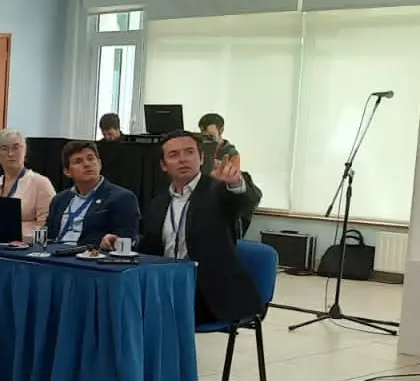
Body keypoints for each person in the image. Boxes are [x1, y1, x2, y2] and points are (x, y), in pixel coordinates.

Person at [136, 131, 264, 322]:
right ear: (163, 165)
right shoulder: (158, 203)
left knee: (155, 315)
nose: (183, 159)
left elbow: (246, 200)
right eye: (173, 155)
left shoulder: (219, 190)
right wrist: (123, 244)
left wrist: (236, 183)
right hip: (167, 283)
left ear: (201, 158)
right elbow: (149, 248)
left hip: (209, 292)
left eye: (189, 152)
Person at [45, 141, 141, 249]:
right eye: (78, 161)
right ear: (67, 172)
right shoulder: (59, 199)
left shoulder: (122, 198)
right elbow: (48, 235)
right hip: (55, 253)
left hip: (90, 255)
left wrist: (112, 241)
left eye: (90, 159)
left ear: (99, 164)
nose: (87, 164)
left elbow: (127, 239)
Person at [0, 129, 54, 239]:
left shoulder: (41, 183)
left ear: (25, 150)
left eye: (16, 147)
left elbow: (46, 226)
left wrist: (15, 233)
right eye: (4, 149)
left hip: (26, 244)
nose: (10, 153)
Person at [199, 113, 257, 236]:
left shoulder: (231, 152)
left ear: (221, 131)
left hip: (220, 199)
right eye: (203, 135)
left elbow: (233, 179)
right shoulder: (199, 149)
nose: (207, 140)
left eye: (210, 136)